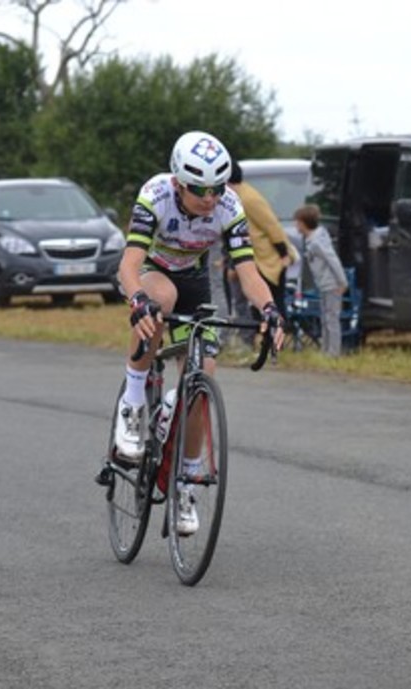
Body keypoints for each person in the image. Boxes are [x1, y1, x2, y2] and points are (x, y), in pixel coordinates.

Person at [113, 130, 284, 536]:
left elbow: (247, 272)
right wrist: (137, 300)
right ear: (178, 183)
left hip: (195, 280)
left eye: (217, 188)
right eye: (200, 190)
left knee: (203, 375)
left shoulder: (229, 206)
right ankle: (133, 402)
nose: (210, 198)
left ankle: (186, 483)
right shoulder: (155, 195)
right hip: (151, 273)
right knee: (161, 300)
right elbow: (128, 264)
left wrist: (270, 309)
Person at [225, 161, 295, 329]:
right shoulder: (237, 196)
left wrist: (284, 253)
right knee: (256, 304)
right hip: (257, 257)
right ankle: (262, 336)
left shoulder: (248, 198)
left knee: (273, 303)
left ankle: (277, 336)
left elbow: (271, 225)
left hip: (270, 259)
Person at [293, 204, 349, 357]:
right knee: (324, 317)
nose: (296, 226)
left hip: (331, 284)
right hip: (323, 284)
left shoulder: (318, 242)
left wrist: (342, 282)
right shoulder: (312, 240)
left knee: (331, 318)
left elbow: (332, 260)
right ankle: (325, 349)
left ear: (304, 223)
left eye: (298, 222)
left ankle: (333, 351)